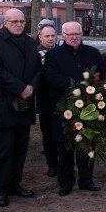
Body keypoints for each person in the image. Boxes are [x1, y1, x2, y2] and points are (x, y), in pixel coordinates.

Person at [44, 21, 106, 196]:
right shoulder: (54, 55)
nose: (74, 38)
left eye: (77, 34)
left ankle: (86, 179)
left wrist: (95, 88)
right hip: (65, 106)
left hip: (90, 106)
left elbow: (102, 73)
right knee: (65, 145)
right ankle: (66, 180)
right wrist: (75, 85)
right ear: (63, 35)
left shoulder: (93, 53)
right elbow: (51, 77)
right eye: (71, 35)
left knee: (87, 143)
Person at [0, 9, 40, 207]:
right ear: (5, 22)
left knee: (21, 147)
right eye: (14, 21)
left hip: (26, 102)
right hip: (4, 103)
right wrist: (20, 88)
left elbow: (38, 68)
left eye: (21, 21)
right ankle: (0, 189)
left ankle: (15, 183)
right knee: (5, 149)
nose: (19, 24)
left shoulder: (29, 42)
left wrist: (31, 87)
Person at [36, 22, 60, 177]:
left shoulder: (61, 52)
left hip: (61, 99)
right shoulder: (35, 54)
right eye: (47, 36)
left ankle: (64, 162)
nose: (50, 39)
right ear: (40, 37)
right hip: (45, 99)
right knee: (48, 133)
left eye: (53, 35)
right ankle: (52, 163)